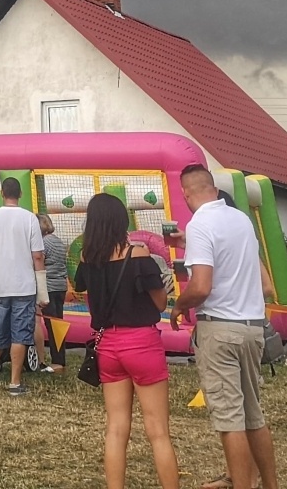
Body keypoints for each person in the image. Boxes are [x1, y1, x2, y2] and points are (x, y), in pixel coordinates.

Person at [173, 165, 280, 489]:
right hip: (252, 328)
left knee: (229, 420)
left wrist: (180, 305)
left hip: (219, 329)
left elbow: (201, 286)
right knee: (252, 415)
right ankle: (270, 485)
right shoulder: (241, 220)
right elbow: (257, 279)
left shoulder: (200, 224)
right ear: (213, 188)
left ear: (186, 193)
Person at [76, 194, 179, 489]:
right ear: (122, 220)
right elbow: (160, 303)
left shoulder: (87, 258)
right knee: (158, 431)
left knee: (116, 429)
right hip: (142, 344)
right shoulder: (139, 255)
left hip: (107, 345)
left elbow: (86, 293)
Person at [0, 177, 46, 395]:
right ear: (21, 194)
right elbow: (38, 255)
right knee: (20, 333)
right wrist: (42, 288)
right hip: (24, 286)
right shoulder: (29, 219)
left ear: (1, 193)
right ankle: (15, 382)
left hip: (0, 285)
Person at [37, 212, 69, 374]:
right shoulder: (58, 241)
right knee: (58, 324)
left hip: (48, 287)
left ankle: (57, 361)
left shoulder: (43, 243)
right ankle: (59, 359)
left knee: (52, 326)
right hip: (60, 286)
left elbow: (38, 263)